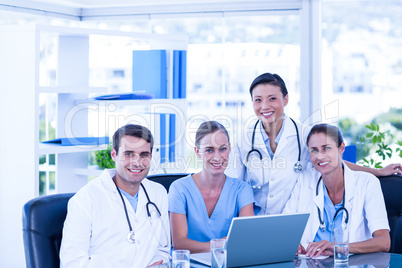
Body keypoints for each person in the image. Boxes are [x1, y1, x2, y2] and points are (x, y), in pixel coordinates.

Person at [225, 72, 402, 215]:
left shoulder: (304, 134)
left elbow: (335, 164)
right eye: (258, 100)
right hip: (253, 224)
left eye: (272, 98)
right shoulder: (243, 139)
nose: (265, 106)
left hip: (293, 224)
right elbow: (232, 186)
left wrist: (379, 172)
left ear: (286, 99)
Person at [60, 124, 170, 267]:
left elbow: (163, 250)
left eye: (144, 155)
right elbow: (72, 263)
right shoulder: (85, 200)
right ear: (114, 154)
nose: (137, 162)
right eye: (128, 154)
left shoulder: (158, 193)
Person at [283, 123, 390, 257]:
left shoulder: (367, 183)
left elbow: (384, 242)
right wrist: (293, 245)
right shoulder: (305, 180)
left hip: (353, 264)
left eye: (326, 148)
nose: (320, 156)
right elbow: (285, 230)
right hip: (311, 263)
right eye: (314, 150)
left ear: (341, 148)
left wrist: (338, 248)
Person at [168, 121, 255, 253]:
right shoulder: (180, 189)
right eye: (209, 150)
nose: (217, 157)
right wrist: (221, 246)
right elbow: (180, 243)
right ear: (197, 152)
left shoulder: (241, 190)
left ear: (229, 149)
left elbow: (246, 236)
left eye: (222, 149)